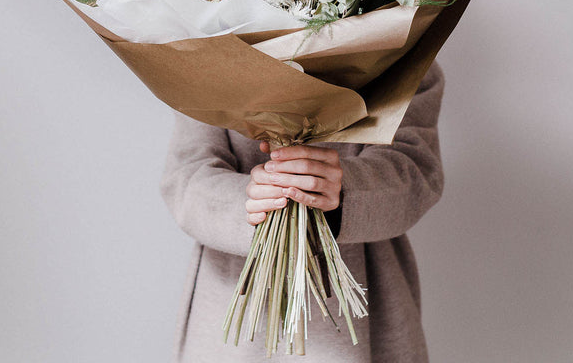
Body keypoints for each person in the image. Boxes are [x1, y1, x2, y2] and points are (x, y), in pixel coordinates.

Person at [160, 61, 445, 362]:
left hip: (365, 309)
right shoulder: (205, 43)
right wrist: (250, 203)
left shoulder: (402, 47)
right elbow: (187, 175)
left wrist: (342, 188)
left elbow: (416, 170)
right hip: (233, 304)